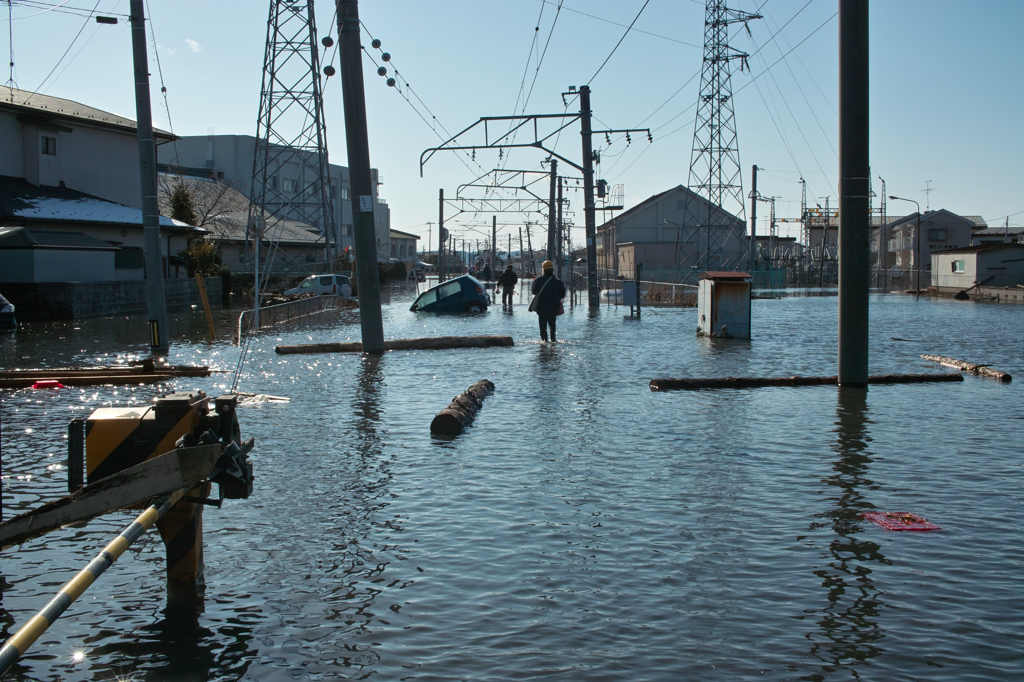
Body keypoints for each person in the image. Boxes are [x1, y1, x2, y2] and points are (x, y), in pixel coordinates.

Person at [530, 259, 566, 342]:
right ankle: (553, 340)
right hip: (554, 307)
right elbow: (563, 295)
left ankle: (544, 342)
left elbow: (534, 292)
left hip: (541, 307)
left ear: (544, 269)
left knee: (542, 327)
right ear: (552, 270)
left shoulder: (538, 280)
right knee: (552, 326)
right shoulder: (558, 282)